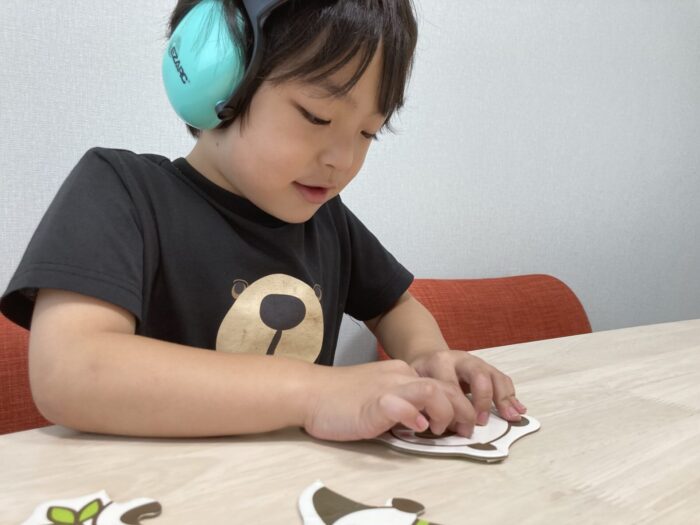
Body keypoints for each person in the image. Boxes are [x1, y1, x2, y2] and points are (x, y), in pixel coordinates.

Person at [0, 0, 526, 440]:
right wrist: (316, 392)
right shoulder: (122, 190)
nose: (343, 160)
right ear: (217, 77)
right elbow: (70, 371)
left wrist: (428, 356)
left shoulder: (329, 222)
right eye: (317, 116)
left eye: (369, 133)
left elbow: (395, 305)